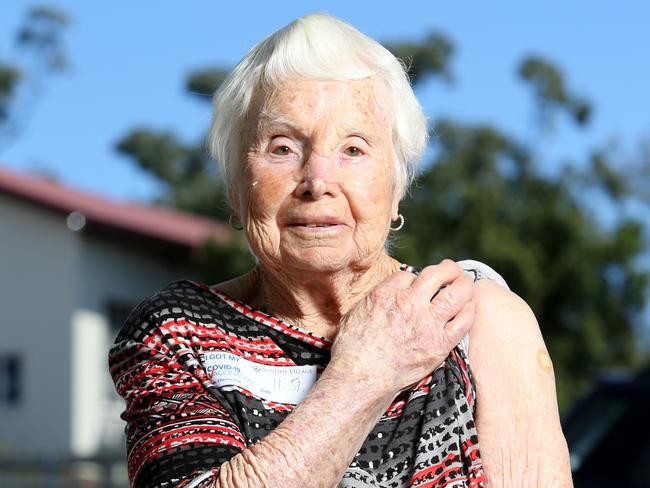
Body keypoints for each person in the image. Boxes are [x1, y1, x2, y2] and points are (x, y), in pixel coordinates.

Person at [109, 13, 573, 488]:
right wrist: (365, 373)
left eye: (352, 150)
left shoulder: (475, 321)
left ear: (396, 186)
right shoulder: (179, 333)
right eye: (283, 148)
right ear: (235, 185)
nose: (317, 181)